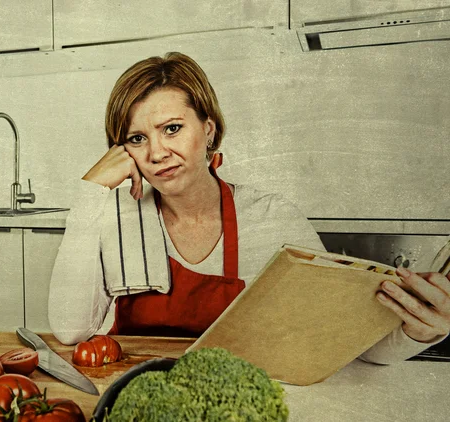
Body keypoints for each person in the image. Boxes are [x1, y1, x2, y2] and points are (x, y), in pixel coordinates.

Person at [48, 52, 449, 363]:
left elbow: (338, 342)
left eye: (172, 128)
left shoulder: (272, 219)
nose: (157, 153)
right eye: (137, 138)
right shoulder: (114, 217)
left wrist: (420, 331)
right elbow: (70, 331)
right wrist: (90, 194)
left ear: (208, 129)